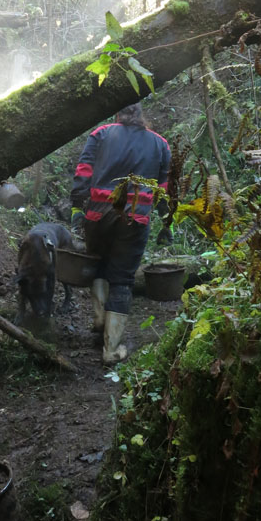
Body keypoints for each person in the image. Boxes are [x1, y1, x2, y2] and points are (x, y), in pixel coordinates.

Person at [70, 103, 172, 364]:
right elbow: (163, 187)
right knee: (123, 278)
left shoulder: (101, 134)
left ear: (118, 114)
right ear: (141, 117)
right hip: (135, 215)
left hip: (97, 213)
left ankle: (100, 320)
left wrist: (77, 208)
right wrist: (165, 220)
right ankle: (111, 349)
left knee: (99, 265)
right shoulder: (160, 144)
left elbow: (84, 171)